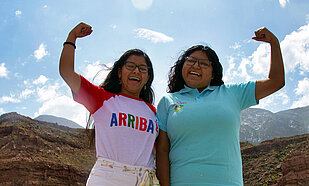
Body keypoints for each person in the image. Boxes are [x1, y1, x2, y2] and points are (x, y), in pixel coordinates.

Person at [156, 27, 285, 185]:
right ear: (182, 66)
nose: (196, 66)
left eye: (203, 63)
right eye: (190, 60)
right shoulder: (168, 100)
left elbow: (276, 81)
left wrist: (274, 43)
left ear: (213, 73)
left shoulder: (232, 93)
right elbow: (162, 150)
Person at [59, 22, 159, 186]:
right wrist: (72, 37)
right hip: (106, 179)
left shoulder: (154, 112)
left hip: (145, 179)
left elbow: (162, 152)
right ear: (119, 72)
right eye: (131, 66)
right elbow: (66, 71)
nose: (136, 71)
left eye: (142, 68)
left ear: (147, 77)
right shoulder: (101, 98)